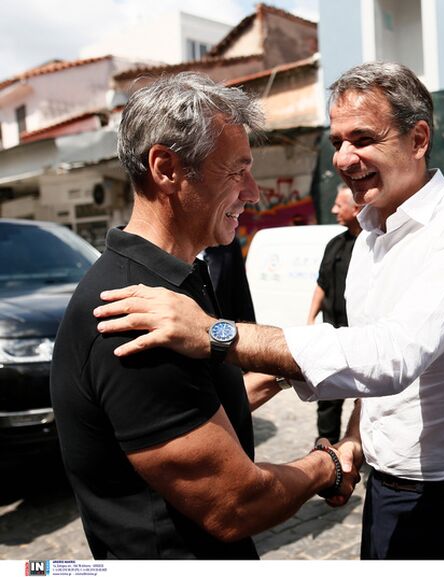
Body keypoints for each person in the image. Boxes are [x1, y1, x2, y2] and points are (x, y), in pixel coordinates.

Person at [92, 62, 444, 560]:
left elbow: (394, 355)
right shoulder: (369, 238)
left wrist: (215, 334)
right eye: (337, 141)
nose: (343, 158)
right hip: (386, 493)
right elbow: (365, 361)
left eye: (362, 139)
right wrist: (353, 442)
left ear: (418, 139)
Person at [50, 73, 358, 560]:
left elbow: (199, 405)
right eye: (237, 171)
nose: (253, 192)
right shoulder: (133, 314)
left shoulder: (174, 284)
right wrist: (330, 464)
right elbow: (235, 504)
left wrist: (293, 370)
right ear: (167, 168)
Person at [306, 184, 361, 444]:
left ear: (356, 208)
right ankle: (325, 446)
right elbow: (321, 284)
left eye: (339, 205)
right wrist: (310, 320)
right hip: (332, 338)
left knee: (368, 401)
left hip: (361, 340)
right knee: (327, 396)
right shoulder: (334, 244)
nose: (333, 210)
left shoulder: (373, 245)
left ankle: (360, 449)